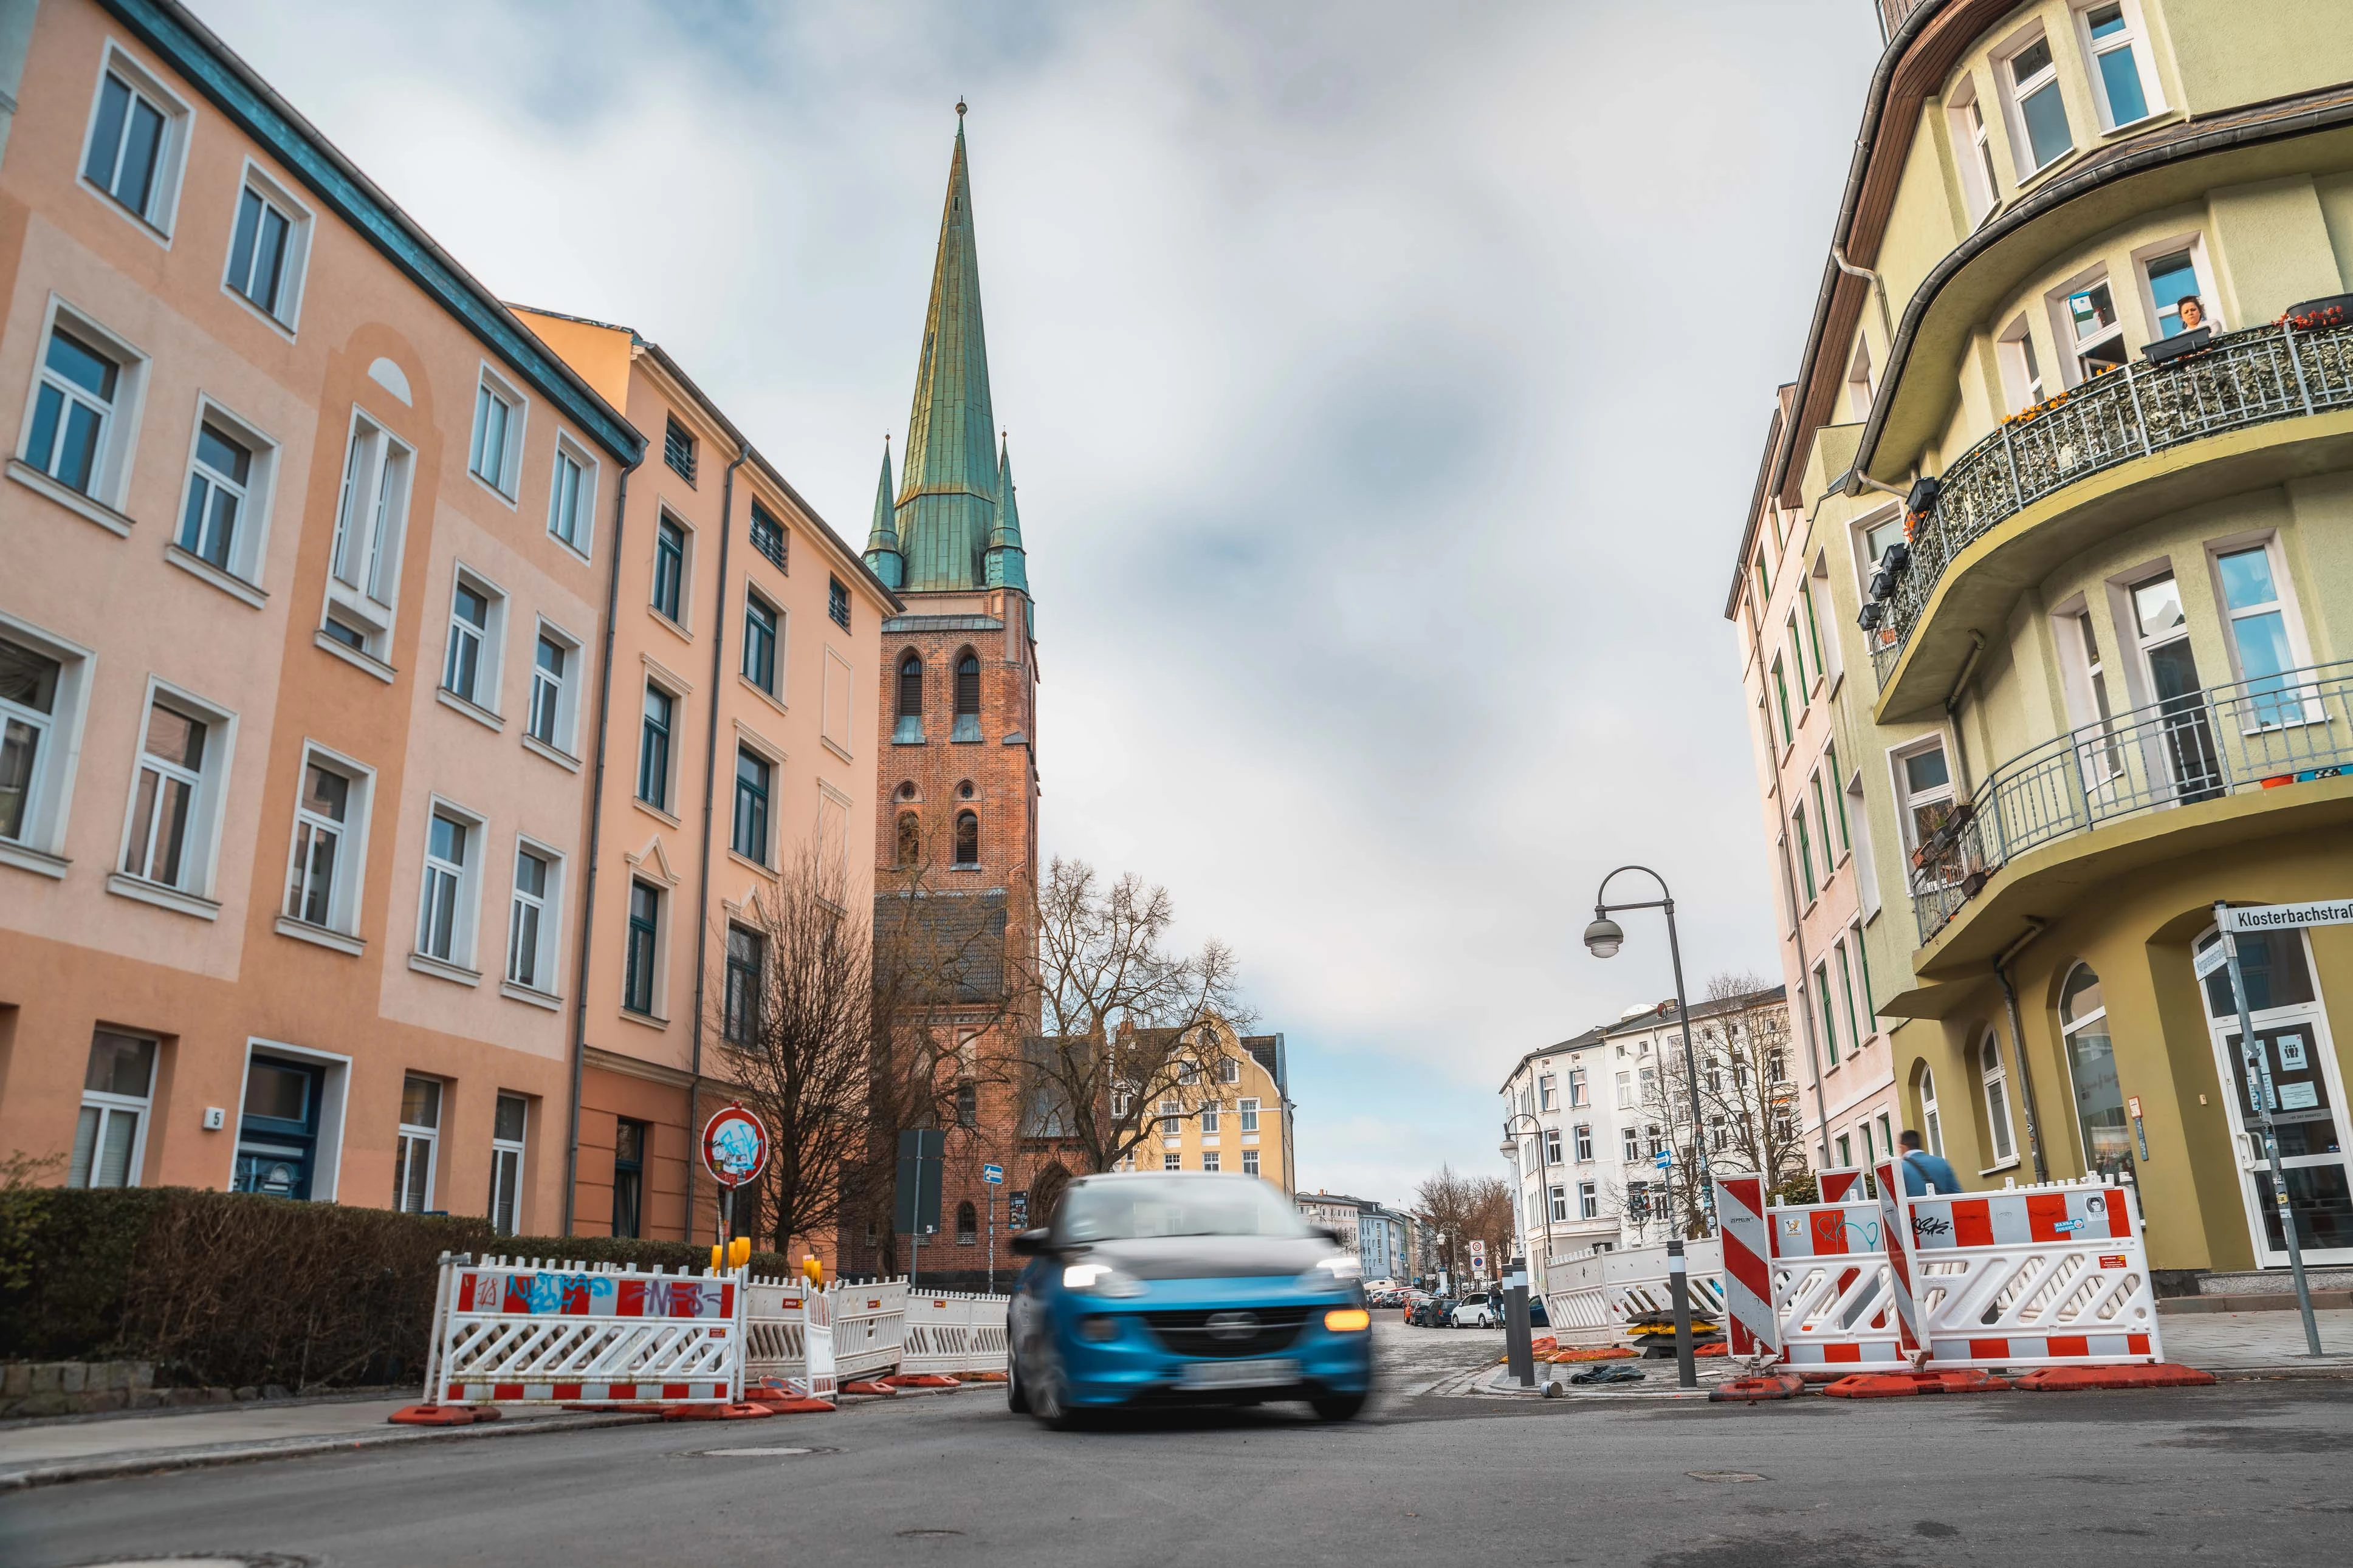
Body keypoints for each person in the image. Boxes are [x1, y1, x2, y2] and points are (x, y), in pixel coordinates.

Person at [1898, 1128, 1962, 1196]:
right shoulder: (1942, 1162)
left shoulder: (1901, 1169)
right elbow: (1958, 1194)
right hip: (1943, 1206)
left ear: (1903, 1147)